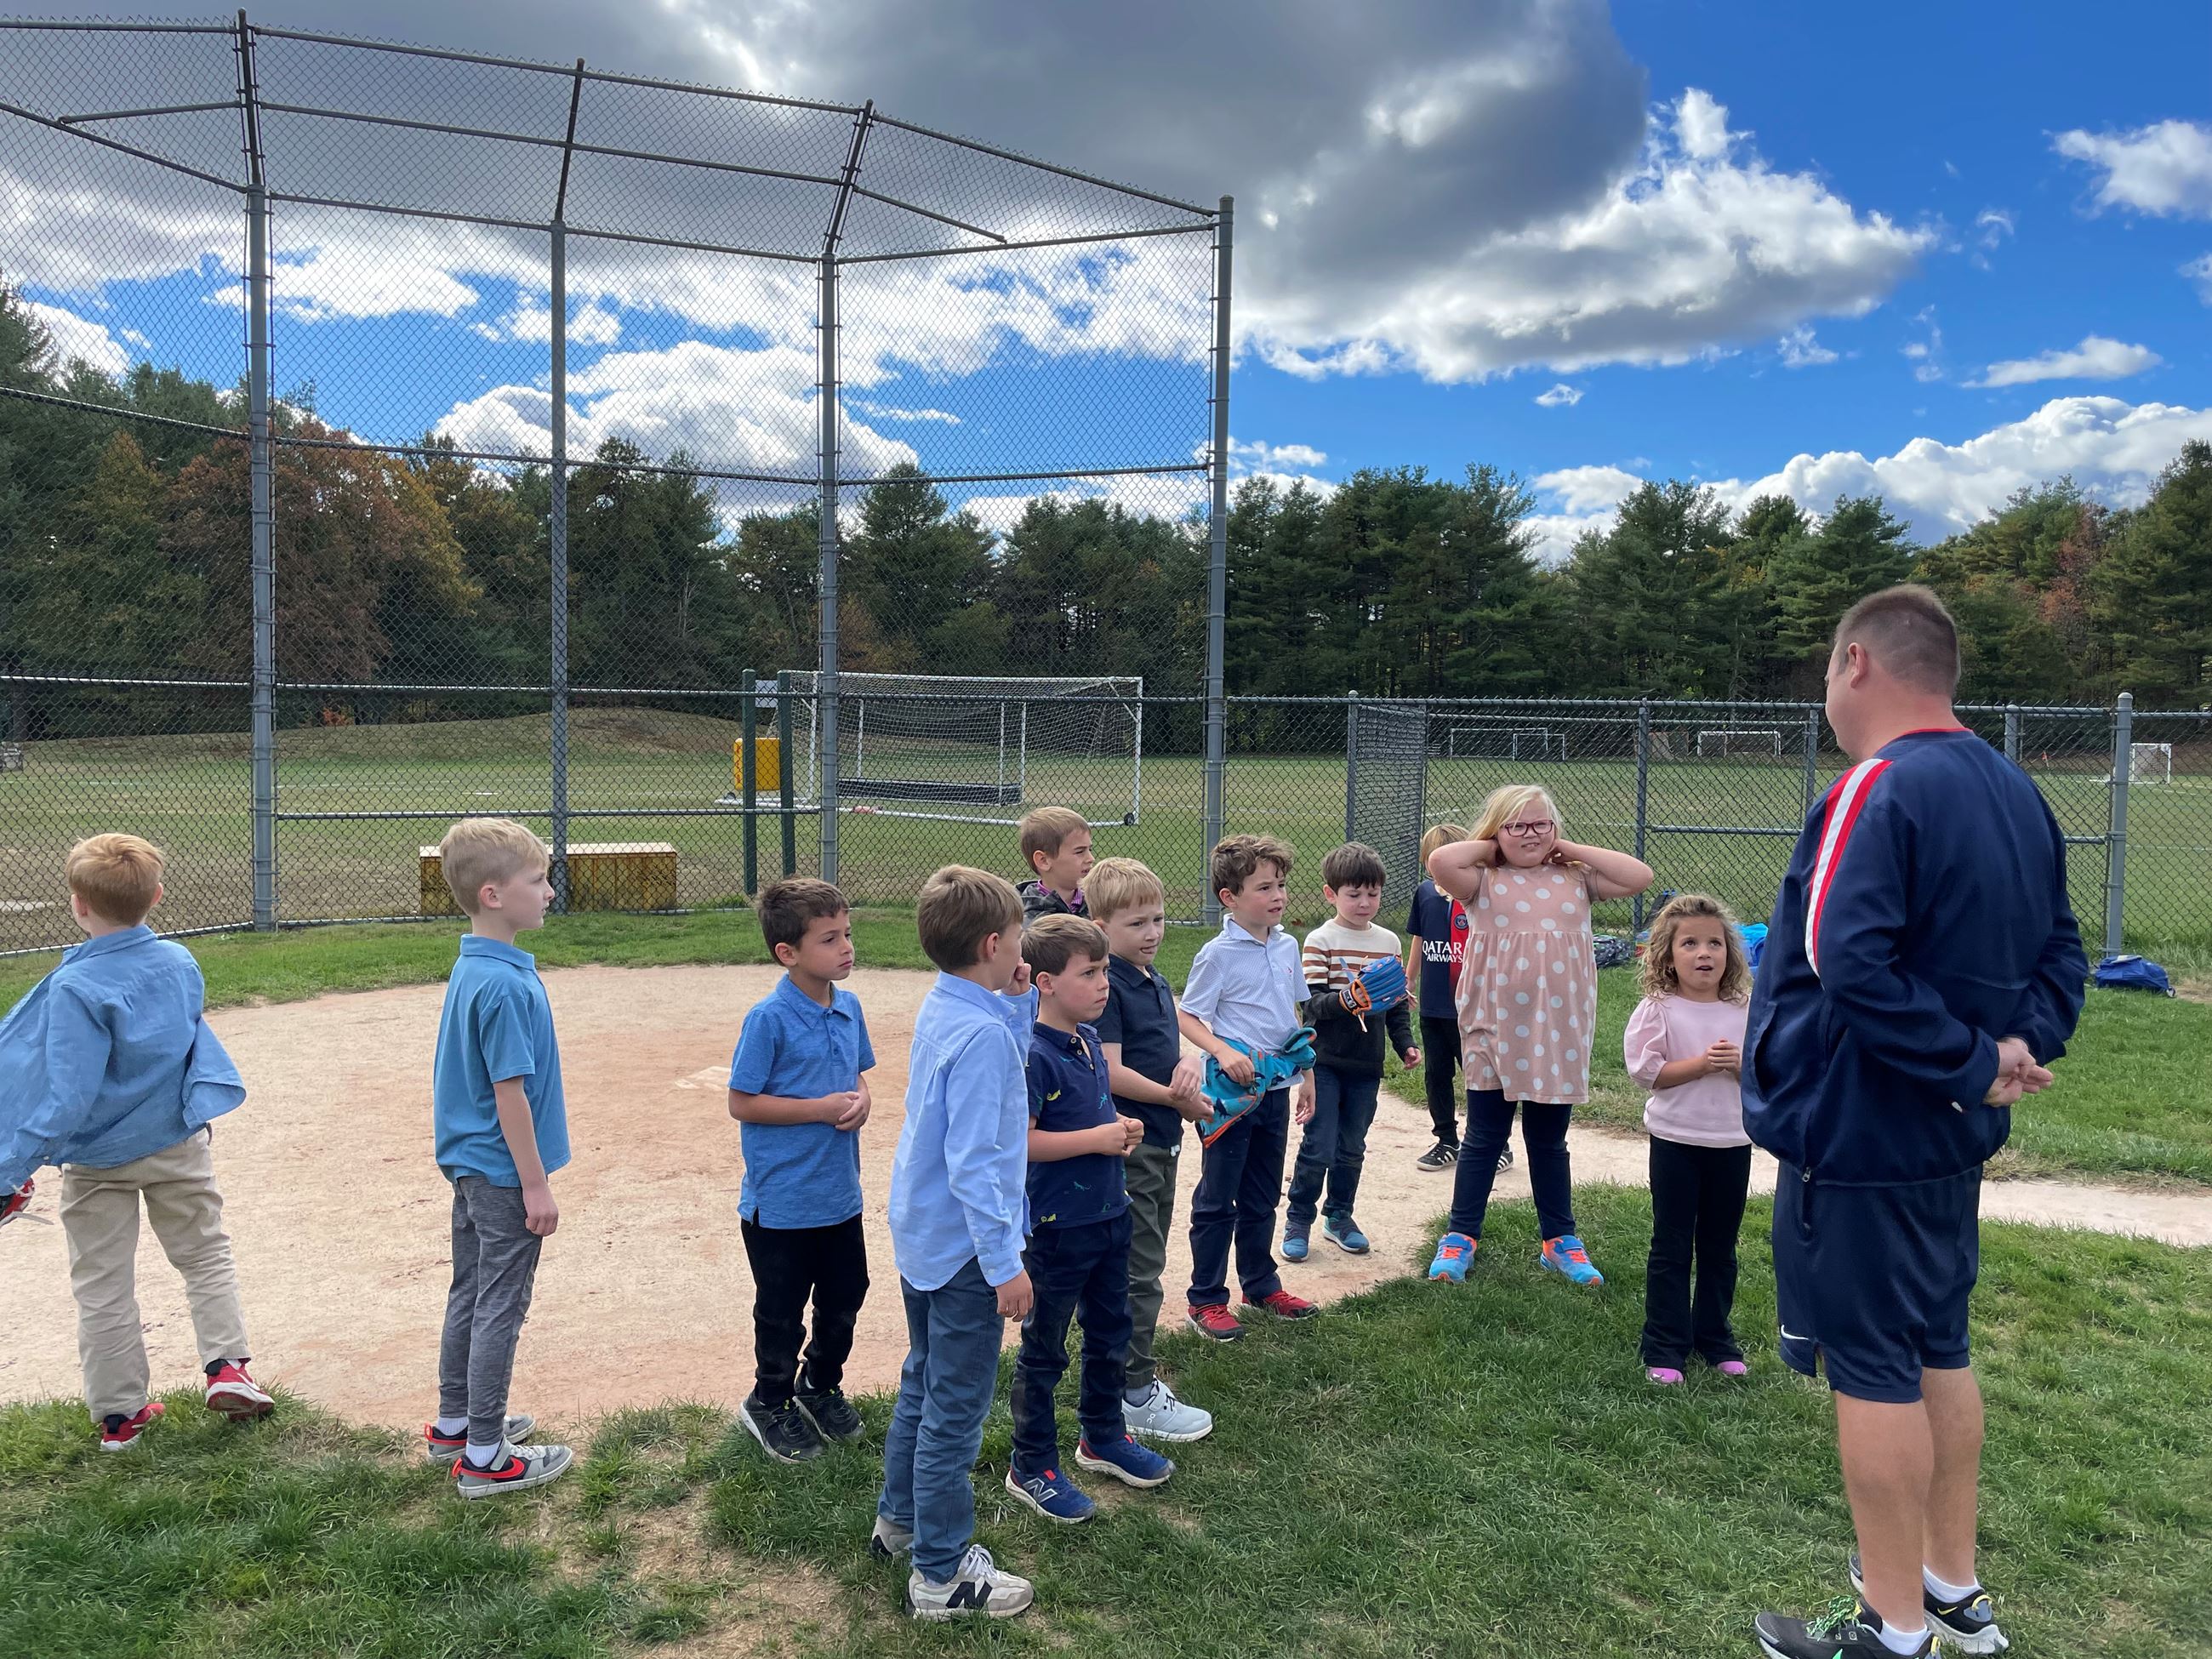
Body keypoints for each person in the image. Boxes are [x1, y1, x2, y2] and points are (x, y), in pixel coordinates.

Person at [1748, 585, 2084, 1659]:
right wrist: (2008, 1050)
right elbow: (2062, 953)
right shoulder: (2015, 789)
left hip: (1859, 1134)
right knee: (1938, 1345)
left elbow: (1843, 960)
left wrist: (1971, 1061)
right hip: (1946, 1137)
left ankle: (1891, 1629)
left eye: (1826, 672)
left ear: (1855, 663)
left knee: (1872, 1368)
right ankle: (1950, 1588)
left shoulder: (1875, 784)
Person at [0, 834, 266, 1452]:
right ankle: (228, 1368)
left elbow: (67, 1094)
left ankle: (121, 1417)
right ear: (157, 895)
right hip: (176, 1140)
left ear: (78, 905)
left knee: (103, 1283)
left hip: (97, 1160)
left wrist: (13, 1165)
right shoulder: (179, 962)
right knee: (204, 1254)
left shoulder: (74, 986)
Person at [875, 866, 1039, 1622]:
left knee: (923, 1381)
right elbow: (977, 1163)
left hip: (926, 1236)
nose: (1024, 952)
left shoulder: (948, 1004)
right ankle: (941, 1576)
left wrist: (1020, 1002)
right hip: (969, 1253)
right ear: (994, 943)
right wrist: (1004, 1265)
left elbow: (995, 1075)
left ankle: (901, 1523)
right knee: (956, 1410)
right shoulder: (981, 1036)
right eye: (1019, 939)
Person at [1424, 786, 1653, 1290]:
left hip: (1558, 1030)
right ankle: (1460, 1237)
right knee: (1484, 1136)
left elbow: (1639, 876)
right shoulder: (1481, 880)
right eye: (1517, 826)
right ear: (1496, 831)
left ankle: (1560, 1241)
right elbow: (1441, 859)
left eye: (1540, 825)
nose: (1530, 835)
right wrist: (1495, 847)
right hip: (1493, 1027)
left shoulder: (1576, 878)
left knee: (1548, 1140)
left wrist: (1565, 848)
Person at [1005, 915, 1176, 1525]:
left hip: (1109, 1212)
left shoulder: (1087, 1041)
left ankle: (1102, 1436)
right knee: (1045, 1348)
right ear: (1046, 983)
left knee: (1111, 1332)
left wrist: (1117, 1129)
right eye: (1090, 973)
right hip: (1058, 1226)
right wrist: (1097, 1139)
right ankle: (1031, 1463)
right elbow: (1023, 1143)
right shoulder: (1034, 1055)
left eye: (1105, 970)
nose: (1104, 983)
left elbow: (1088, 1121)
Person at [425, 818, 574, 1497]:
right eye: (537, 880)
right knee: (500, 1305)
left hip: (469, 1163)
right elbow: (508, 1094)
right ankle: (485, 1455)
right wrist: (535, 1185)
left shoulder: (475, 967)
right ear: (492, 894)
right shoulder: (507, 986)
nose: (549, 891)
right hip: (502, 1171)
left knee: (471, 1290)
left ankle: (456, 1423)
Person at [726, 878, 875, 1464]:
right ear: (787, 953)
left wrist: (862, 1098)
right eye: (829, 939)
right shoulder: (769, 1019)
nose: (846, 947)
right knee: (781, 1312)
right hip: (782, 1204)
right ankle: (769, 1401)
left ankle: (819, 1385)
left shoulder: (848, 1007)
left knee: (846, 1295)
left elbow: (858, 1074)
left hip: (839, 1194)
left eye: (847, 934)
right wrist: (818, 1108)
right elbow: (742, 1101)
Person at [1087, 856, 1214, 1442]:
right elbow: (1111, 1071)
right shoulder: (1110, 985)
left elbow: (1165, 1048)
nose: (1152, 932)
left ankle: (1116, 1374)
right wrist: (1173, 1097)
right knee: (1139, 1273)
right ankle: (1132, 1391)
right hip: (1132, 1147)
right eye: (1136, 923)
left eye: (1158, 919)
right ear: (1101, 926)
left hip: (1161, 1141)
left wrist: (1189, 1064)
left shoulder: (1152, 977)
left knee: (1145, 1263)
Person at [1177, 834, 1319, 1342]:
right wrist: (1221, 1050)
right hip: (1231, 1098)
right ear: (1230, 897)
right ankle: (1205, 1299)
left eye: (1281, 884)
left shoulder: (1287, 945)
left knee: (1262, 1195)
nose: (1278, 895)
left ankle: (1260, 1286)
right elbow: (1188, 1015)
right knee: (1219, 1198)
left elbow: (1292, 1018)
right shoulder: (1217, 955)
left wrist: (1306, 1075)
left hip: (1275, 1091)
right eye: (1264, 887)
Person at [1623, 892, 1754, 1385]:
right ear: (1668, 955)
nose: (1704, 953)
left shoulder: (1747, 1009)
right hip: (1676, 1142)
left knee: (1720, 1246)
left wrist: (1740, 1067)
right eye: (1690, 943)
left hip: (1732, 1143)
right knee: (1672, 1245)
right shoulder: (1660, 1009)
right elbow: (1647, 1072)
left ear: (1730, 953)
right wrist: (1701, 1065)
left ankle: (1715, 1337)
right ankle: (1664, 1344)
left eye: (1715, 943)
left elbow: (1767, 1073)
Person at [1284, 842, 1417, 1262]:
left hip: (1366, 1064)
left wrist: (1405, 1043)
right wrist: (1348, 999)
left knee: (1351, 1147)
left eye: (1372, 894)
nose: (1364, 903)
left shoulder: (1389, 941)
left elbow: (1395, 1004)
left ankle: (1339, 1216)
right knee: (1319, 1145)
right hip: (1324, 1062)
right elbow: (1310, 1006)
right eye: (1353, 894)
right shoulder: (1320, 940)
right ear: (1331, 894)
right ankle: (1298, 1219)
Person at [1405, 822, 1511, 1176]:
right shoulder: (1424, 894)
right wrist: (1409, 978)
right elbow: (1420, 938)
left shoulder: (1479, 894)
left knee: (1481, 1078)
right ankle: (1447, 1140)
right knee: (1436, 1075)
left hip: (1472, 1006)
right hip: (1434, 1006)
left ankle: (1498, 1144)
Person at [1017, 807, 1093, 922]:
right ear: (1043, 860)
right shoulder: (1023, 919)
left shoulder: (1102, 905)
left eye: (1090, 850)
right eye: (1079, 852)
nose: (1091, 859)